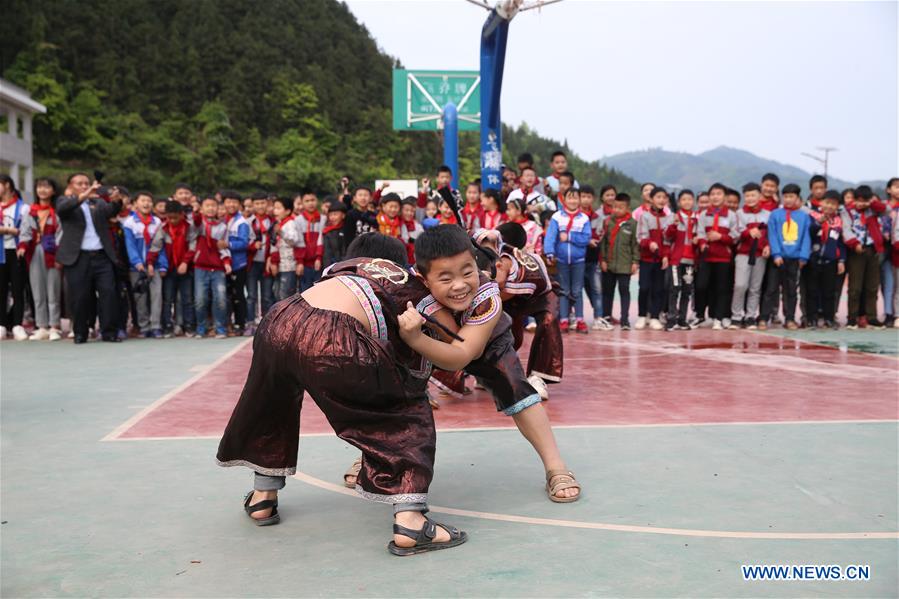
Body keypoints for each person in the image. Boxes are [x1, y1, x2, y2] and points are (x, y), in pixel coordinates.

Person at [217, 226, 504, 555]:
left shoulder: (345, 269)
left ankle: (262, 496)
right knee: (404, 410)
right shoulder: (411, 286)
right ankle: (411, 522)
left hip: (280, 317)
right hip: (331, 333)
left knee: (273, 403)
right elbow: (457, 345)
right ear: (416, 270)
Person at [56, 173, 124, 344]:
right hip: (78, 257)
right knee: (80, 297)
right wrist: (83, 196)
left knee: (108, 293)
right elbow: (63, 210)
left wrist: (116, 201)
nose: (85, 186)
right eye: (80, 184)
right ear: (71, 186)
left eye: (87, 183)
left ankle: (109, 332)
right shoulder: (64, 201)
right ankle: (80, 332)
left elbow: (111, 211)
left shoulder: (97, 202)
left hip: (102, 255)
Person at [759, 184, 811, 330]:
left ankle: (789, 319)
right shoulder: (775, 214)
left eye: (791, 197)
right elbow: (772, 235)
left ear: (797, 198)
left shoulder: (804, 216)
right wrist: (776, 254)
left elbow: (806, 237)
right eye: (786, 196)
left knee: (791, 291)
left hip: (795, 259)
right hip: (778, 258)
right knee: (771, 289)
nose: (788, 200)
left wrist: (803, 257)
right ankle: (763, 318)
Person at [16, 178, 63, 341]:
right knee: (37, 289)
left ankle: (54, 326)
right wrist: (22, 246)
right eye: (40, 187)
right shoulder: (31, 211)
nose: (42, 190)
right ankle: (42, 326)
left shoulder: (58, 211)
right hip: (34, 251)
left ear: (53, 191)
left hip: (52, 252)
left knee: (53, 289)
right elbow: (25, 230)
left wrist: (59, 252)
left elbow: (61, 233)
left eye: (47, 187)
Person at [544, 188, 591, 333]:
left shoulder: (584, 218)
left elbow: (586, 238)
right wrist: (550, 252)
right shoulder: (557, 217)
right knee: (563, 290)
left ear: (579, 200)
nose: (573, 201)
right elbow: (550, 236)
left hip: (579, 260)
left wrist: (570, 237)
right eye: (569, 198)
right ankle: (564, 320)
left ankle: (579, 319)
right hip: (562, 259)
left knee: (577, 290)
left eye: (575, 198)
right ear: (564, 200)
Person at [123, 191, 168, 338]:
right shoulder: (129, 223)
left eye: (149, 201)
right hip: (137, 268)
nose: (146, 203)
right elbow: (130, 245)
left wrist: (162, 265)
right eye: (143, 200)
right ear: (135, 204)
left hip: (154, 266)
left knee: (157, 296)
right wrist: (136, 262)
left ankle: (156, 325)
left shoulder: (157, 222)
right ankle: (144, 326)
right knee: (140, 298)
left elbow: (161, 246)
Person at [841, 185, 886, 329]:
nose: (861, 203)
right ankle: (852, 318)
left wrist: (871, 203)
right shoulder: (847, 211)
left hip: (873, 250)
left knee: (872, 286)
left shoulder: (873, 210)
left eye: (864, 200)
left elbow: (886, 210)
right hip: (856, 251)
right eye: (858, 200)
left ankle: (871, 317)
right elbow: (846, 230)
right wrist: (854, 243)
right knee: (855, 287)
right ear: (854, 199)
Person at [150, 201, 196, 338]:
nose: (172, 220)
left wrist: (185, 262)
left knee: (187, 299)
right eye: (169, 217)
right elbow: (155, 247)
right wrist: (150, 263)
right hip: (169, 270)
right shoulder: (163, 228)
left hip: (185, 269)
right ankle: (167, 326)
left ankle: (189, 325)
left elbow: (193, 247)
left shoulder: (189, 227)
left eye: (175, 217)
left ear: (182, 215)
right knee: (167, 299)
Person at [695, 183, 737, 330]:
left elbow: (735, 236)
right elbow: (700, 233)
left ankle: (718, 318)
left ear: (725, 197)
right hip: (706, 257)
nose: (715, 196)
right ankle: (701, 315)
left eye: (719, 194)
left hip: (723, 258)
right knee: (702, 286)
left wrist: (720, 237)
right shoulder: (703, 214)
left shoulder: (731, 215)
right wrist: (702, 243)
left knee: (722, 288)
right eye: (712, 194)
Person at [730, 183, 770, 329]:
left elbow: (770, 234)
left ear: (760, 196)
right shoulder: (739, 214)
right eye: (747, 196)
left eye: (753, 195)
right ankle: (736, 316)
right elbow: (735, 234)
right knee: (740, 285)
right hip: (743, 254)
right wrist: (748, 232)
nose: (750, 198)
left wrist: (768, 246)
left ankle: (750, 316)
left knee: (755, 288)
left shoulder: (767, 215)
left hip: (760, 256)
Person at [192, 196, 232, 338]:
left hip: (218, 268)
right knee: (200, 299)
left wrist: (226, 263)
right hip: (200, 268)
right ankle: (201, 328)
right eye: (207, 206)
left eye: (213, 205)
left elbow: (223, 247)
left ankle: (220, 328)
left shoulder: (223, 226)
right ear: (202, 208)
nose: (210, 208)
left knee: (220, 298)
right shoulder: (200, 223)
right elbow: (195, 221)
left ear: (217, 208)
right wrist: (196, 212)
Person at [807, 190, 846, 328]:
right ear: (821, 202)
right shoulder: (812, 216)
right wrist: (818, 223)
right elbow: (809, 232)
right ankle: (811, 318)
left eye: (833, 204)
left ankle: (829, 318)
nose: (829, 206)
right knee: (812, 290)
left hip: (830, 261)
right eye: (827, 202)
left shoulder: (838, 221)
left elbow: (841, 243)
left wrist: (841, 260)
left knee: (829, 291)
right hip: (813, 259)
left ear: (837, 206)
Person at [635, 187, 672, 330]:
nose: (661, 200)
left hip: (660, 260)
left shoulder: (669, 218)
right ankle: (642, 315)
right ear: (651, 199)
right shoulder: (644, 216)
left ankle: (655, 316)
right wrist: (649, 243)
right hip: (646, 259)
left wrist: (666, 256)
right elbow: (641, 237)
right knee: (644, 287)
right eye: (658, 197)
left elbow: (668, 240)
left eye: (664, 197)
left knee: (658, 289)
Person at [600, 193, 638, 330]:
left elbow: (635, 244)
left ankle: (625, 319)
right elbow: (603, 243)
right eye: (615, 207)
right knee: (607, 291)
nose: (617, 210)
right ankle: (606, 317)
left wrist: (635, 262)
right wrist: (603, 260)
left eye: (621, 207)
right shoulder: (608, 222)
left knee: (624, 291)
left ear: (627, 208)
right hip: (609, 264)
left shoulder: (633, 224)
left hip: (625, 265)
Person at [0, 175, 28, 341]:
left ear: (7, 185)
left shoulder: (23, 207)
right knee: (0, 289)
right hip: (0, 252)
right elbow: (14, 230)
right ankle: (2, 325)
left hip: (17, 252)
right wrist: (10, 231)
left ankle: (17, 324)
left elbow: (26, 231)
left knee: (18, 289)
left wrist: (22, 243)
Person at [664, 190, 698, 330]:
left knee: (686, 290)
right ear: (679, 202)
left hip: (690, 261)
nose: (687, 202)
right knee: (675, 288)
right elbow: (667, 236)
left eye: (689, 199)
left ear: (693, 201)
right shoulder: (673, 217)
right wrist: (674, 225)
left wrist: (698, 239)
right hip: (676, 261)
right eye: (684, 199)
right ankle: (671, 318)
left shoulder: (697, 218)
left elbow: (699, 236)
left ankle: (682, 319)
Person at [222, 191, 251, 335]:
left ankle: (241, 323)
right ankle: (229, 324)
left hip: (238, 264)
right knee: (227, 296)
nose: (231, 205)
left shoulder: (241, 223)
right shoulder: (222, 220)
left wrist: (227, 244)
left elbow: (245, 243)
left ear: (239, 205)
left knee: (238, 295)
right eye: (228, 202)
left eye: (234, 202)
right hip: (224, 264)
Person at [245, 192, 274, 334]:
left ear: (267, 204)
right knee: (251, 295)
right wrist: (252, 246)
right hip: (252, 262)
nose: (260, 206)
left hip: (267, 262)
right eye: (257, 204)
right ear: (253, 206)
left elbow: (275, 242)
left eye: (263, 203)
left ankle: (267, 324)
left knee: (267, 295)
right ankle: (250, 323)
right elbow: (244, 241)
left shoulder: (273, 221)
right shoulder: (248, 222)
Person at [268, 197, 301, 301]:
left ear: (287, 211)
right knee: (277, 293)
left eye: (278, 208)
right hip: (279, 265)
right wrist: (273, 262)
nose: (275, 211)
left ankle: (288, 317)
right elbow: (273, 244)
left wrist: (281, 232)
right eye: (274, 208)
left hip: (289, 266)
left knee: (286, 296)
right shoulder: (278, 224)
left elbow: (294, 240)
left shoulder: (290, 223)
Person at [295, 191, 326, 292]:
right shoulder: (298, 220)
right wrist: (300, 262)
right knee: (305, 292)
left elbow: (321, 240)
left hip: (319, 262)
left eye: (312, 200)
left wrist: (318, 257)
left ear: (317, 201)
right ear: (302, 203)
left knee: (319, 292)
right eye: (307, 201)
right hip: (305, 263)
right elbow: (299, 241)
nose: (310, 203)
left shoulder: (323, 219)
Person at [322, 203, 349, 268]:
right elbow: (327, 253)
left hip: (347, 264)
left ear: (343, 215)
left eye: (335, 214)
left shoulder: (347, 229)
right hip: (332, 266)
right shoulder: (327, 231)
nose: (332, 217)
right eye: (330, 215)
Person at [399, 197, 423, 265]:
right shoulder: (396, 224)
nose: (409, 213)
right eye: (406, 210)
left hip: (414, 262)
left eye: (412, 211)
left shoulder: (418, 226)